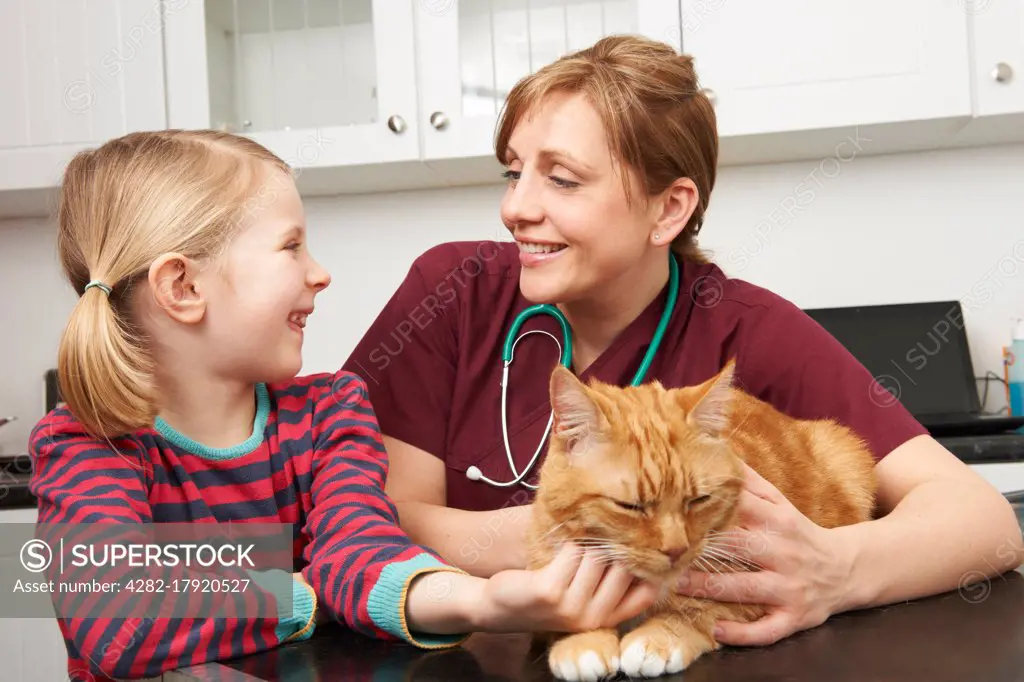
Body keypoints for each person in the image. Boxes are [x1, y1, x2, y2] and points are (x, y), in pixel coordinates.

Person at [342, 34, 1024, 648]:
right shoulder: (453, 291)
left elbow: (984, 522)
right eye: (513, 171)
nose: (516, 206)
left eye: (561, 178)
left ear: (669, 207)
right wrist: (536, 543)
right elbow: (360, 513)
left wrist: (836, 571)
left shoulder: (745, 330)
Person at [28, 129, 659, 682]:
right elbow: (116, 620)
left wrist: (485, 603)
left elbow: (362, 553)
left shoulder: (330, 412)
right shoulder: (85, 443)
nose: (319, 273)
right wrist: (309, 595)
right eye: (290, 247)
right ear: (184, 286)